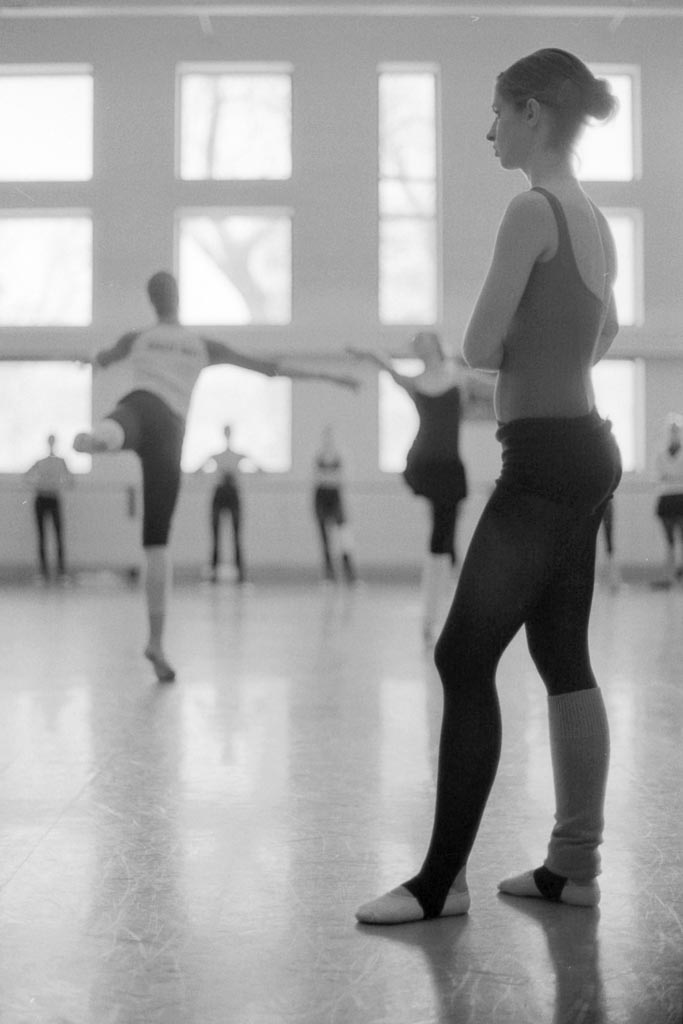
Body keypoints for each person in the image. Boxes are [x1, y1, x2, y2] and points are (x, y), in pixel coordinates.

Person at [356, 49, 622, 925]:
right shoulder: (592, 216)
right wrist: (542, 351)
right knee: (560, 657)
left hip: (542, 463)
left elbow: (473, 344)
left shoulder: (531, 210)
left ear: (534, 112)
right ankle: (570, 867)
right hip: (584, 449)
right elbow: (603, 330)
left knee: (461, 655)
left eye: (498, 112)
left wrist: (515, 352)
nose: (487, 129)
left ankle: (440, 882)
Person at [74, 271, 358, 683]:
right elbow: (269, 368)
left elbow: (100, 357)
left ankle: (103, 437)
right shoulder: (200, 344)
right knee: (156, 543)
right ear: (177, 299)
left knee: (126, 420)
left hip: (138, 408)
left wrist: (92, 358)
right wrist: (332, 376)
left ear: (151, 301)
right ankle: (156, 641)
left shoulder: (137, 337)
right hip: (170, 434)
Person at [348, 332, 467, 642]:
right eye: (419, 345)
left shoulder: (458, 378)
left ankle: (439, 603)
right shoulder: (415, 383)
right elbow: (387, 367)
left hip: (449, 467)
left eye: (428, 342)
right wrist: (367, 351)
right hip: (424, 463)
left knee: (444, 534)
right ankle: (431, 615)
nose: (423, 347)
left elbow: (495, 386)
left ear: (438, 346)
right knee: (440, 536)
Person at [198, 424, 251, 584]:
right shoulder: (218, 456)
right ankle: (213, 573)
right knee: (215, 536)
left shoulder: (236, 455)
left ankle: (241, 574)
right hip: (219, 495)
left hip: (233, 495)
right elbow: (199, 468)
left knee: (236, 536)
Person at [25, 433, 74, 581]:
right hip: (41, 498)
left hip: (54, 498)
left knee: (58, 535)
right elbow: (26, 476)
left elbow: (71, 480)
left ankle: (61, 572)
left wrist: (58, 485)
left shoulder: (61, 461)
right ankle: (43, 572)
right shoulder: (41, 461)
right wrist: (39, 484)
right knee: (42, 536)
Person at [312, 424, 357, 583]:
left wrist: (328, 477)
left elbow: (340, 478)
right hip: (321, 498)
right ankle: (328, 575)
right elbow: (317, 478)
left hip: (336, 497)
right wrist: (329, 477)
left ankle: (349, 574)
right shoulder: (318, 456)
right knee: (324, 537)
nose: (328, 439)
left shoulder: (339, 456)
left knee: (344, 537)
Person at [651, 413, 683, 588]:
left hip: (681, 497)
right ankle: (670, 575)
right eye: (671, 431)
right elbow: (660, 475)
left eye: (677, 431)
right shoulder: (661, 454)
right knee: (669, 540)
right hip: (667, 499)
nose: (674, 434)